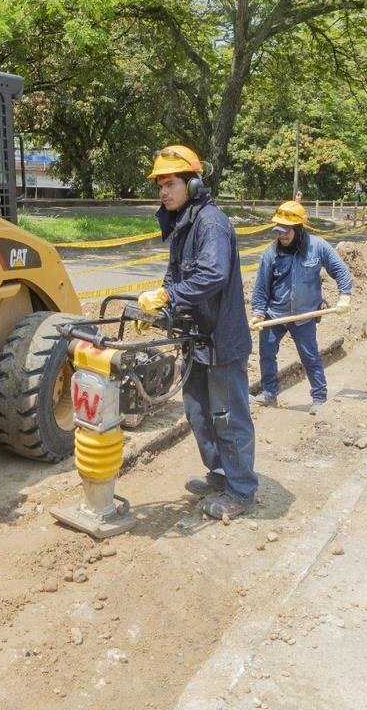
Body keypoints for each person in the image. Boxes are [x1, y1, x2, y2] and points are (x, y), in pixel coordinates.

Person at [137, 145, 255, 520]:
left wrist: (170, 294)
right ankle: (221, 475)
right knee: (199, 413)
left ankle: (241, 490)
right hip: (196, 339)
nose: (164, 192)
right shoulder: (183, 223)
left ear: (194, 183)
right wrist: (162, 307)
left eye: (170, 183)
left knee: (227, 416)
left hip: (221, 340)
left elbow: (213, 275)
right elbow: (177, 276)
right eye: (160, 186)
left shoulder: (211, 223)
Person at [249, 201, 353, 415]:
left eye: (286, 231)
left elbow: (341, 271)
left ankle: (320, 397)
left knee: (310, 356)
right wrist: (259, 313)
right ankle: (269, 394)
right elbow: (261, 286)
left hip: (305, 315)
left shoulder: (318, 247)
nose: (282, 235)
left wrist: (345, 296)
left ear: (298, 228)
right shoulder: (271, 254)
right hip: (274, 314)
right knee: (267, 354)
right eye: (278, 230)